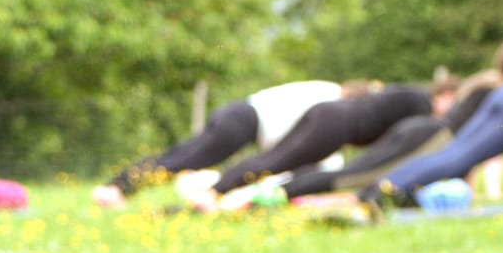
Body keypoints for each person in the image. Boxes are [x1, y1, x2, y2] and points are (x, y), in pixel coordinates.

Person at [279, 37, 503, 202]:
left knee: (354, 172)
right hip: (431, 136)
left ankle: (282, 191)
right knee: (354, 176)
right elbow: (466, 151)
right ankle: (282, 193)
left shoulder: (485, 81)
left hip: (421, 129)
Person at [198, 78, 460, 209]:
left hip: (329, 114)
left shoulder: (409, 94)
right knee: (278, 161)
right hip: (335, 123)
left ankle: (222, 190)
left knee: (278, 158)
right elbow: (401, 147)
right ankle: (216, 192)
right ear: (444, 95)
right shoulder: (421, 105)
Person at [91, 79, 347, 207]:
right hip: (245, 120)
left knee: (184, 156)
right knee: (186, 159)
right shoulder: (333, 101)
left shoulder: (329, 91)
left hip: (241, 115)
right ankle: (117, 188)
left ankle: (118, 187)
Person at [372, 66, 503, 205]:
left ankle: (384, 186)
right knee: (456, 159)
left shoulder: (497, 84)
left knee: (452, 156)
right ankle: (386, 189)